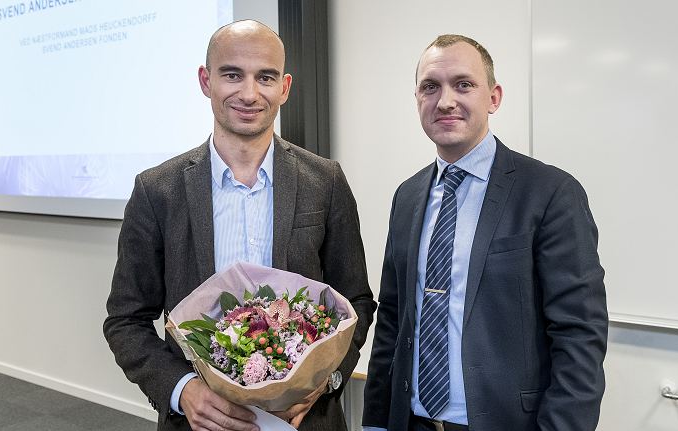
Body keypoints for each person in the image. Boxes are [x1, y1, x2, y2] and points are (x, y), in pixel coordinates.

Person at [103, 20, 376, 431]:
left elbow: (355, 301)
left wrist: (325, 380)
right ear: (205, 81)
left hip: (307, 421)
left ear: (283, 88)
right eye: (232, 74)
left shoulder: (326, 182)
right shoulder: (157, 190)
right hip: (200, 423)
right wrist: (181, 390)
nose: (249, 93)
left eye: (264, 77)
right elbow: (126, 320)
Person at [362, 35, 607, 431]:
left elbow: (580, 335)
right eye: (431, 87)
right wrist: (375, 420)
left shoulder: (549, 192)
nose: (445, 101)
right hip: (410, 423)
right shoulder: (407, 196)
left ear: (493, 97)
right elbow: (392, 319)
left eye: (463, 84)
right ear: (418, 99)